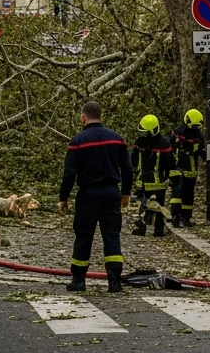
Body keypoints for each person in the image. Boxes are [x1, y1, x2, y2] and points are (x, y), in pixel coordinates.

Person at [58, 100, 132, 293]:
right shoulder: (117, 139)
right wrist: (126, 193)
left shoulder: (78, 142)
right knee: (111, 235)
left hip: (88, 195)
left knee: (83, 236)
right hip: (111, 192)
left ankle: (79, 280)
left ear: (83, 117)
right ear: (101, 115)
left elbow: (69, 174)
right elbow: (127, 169)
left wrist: (63, 197)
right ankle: (114, 280)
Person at [131, 114, 175, 237]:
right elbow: (171, 163)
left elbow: (133, 161)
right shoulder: (164, 143)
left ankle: (143, 227)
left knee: (146, 204)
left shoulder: (140, 143)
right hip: (157, 180)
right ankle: (158, 230)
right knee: (157, 204)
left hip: (147, 179)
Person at [168, 109, 205, 227]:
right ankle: (176, 217)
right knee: (178, 193)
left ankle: (186, 218)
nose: (194, 128)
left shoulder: (198, 135)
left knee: (188, 194)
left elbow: (201, 151)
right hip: (178, 167)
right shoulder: (177, 133)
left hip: (190, 169)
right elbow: (170, 149)